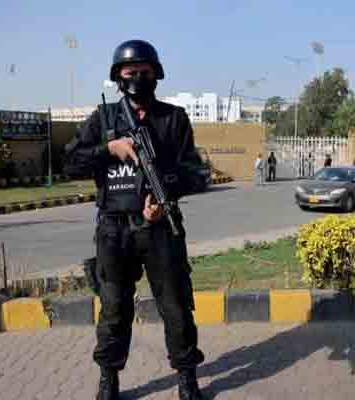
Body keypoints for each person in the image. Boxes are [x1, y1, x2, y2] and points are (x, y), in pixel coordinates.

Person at [64, 39, 206, 400]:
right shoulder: (104, 119)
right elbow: (71, 163)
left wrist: (164, 197)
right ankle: (108, 380)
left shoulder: (173, 118)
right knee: (113, 308)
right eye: (131, 73)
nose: (138, 79)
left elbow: (194, 174)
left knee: (175, 305)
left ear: (156, 75)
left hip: (160, 227)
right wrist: (107, 149)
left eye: (145, 72)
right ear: (118, 77)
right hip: (114, 229)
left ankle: (187, 379)